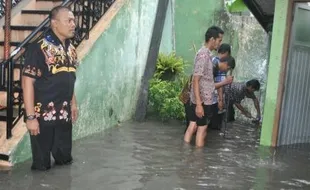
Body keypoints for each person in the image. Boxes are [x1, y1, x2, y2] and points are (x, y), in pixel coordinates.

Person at [22, 6, 78, 171]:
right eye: (69, 20)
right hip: (42, 118)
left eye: (73, 20)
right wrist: (30, 117)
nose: (73, 24)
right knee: (41, 166)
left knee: (65, 160)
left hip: (65, 116)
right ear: (54, 23)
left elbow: (69, 78)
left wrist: (74, 103)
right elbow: (27, 83)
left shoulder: (71, 49)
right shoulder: (38, 48)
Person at [183, 26, 233, 147]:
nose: (219, 44)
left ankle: (185, 153)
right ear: (212, 39)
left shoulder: (206, 54)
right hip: (203, 100)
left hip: (202, 99)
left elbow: (204, 81)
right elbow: (196, 80)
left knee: (194, 126)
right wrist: (199, 104)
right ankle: (199, 161)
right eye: (219, 40)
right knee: (202, 130)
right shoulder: (204, 55)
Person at [209, 55, 235, 130]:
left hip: (208, 98)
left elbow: (219, 84)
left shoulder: (218, 69)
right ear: (225, 63)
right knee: (195, 126)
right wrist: (225, 82)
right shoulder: (212, 66)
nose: (226, 71)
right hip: (197, 97)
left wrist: (220, 100)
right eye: (228, 68)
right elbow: (208, 87)